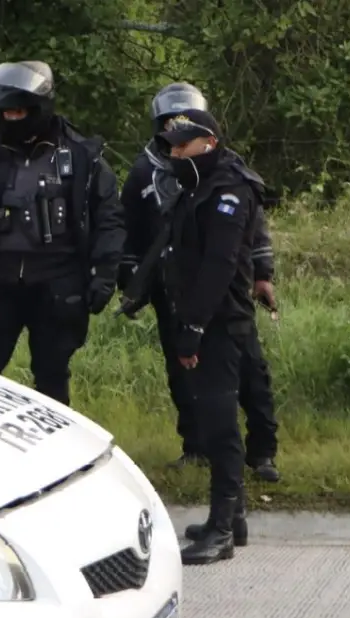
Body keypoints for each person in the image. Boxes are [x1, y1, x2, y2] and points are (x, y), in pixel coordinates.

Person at [118, 82, 282, 484]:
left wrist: (263, 274)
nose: (177, 135)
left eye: (186, 128)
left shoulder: (229, 171)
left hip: (226, 288)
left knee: (250, 370)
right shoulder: (143, 171)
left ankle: (262, 452)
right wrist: (129, 277)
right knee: (183, 371)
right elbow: (129, 228)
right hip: (169, 287)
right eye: (170, 127)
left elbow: (253, 228)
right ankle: (196, 446)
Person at [0, 61, 125, 407]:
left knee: (52, 375)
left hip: (58, 284)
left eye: (18, 111)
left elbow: (109, 218)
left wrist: (105, 274)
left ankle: (59, 452)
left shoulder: (81, 155)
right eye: (5, 112)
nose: (11, 118)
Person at [152, 108, 275, 565]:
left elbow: (220, 266)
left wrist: (194, 328)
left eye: (184, 145)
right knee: (212, 416)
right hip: (205, 317)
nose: (176, 153)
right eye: (172, 146)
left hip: (221, 321)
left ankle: (222, 528)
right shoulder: (197, 185)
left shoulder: (229, 189)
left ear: (209, 143)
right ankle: (233, 516)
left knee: (220, 423)